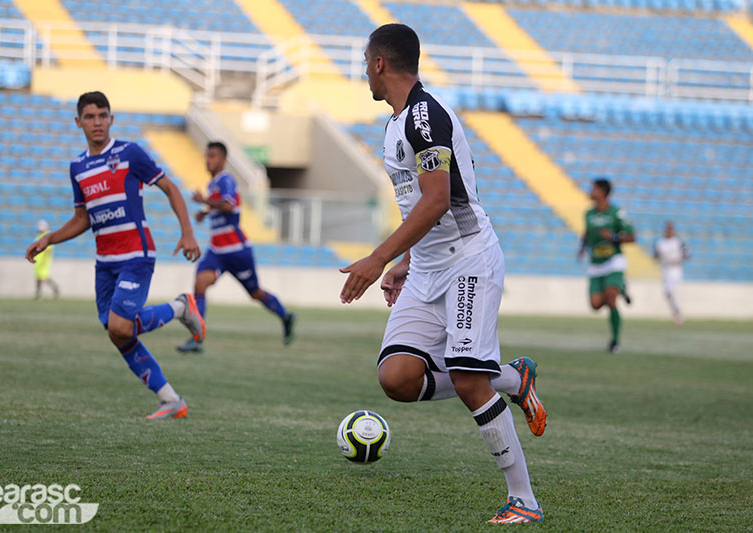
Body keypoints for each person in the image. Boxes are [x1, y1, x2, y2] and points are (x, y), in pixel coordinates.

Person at [339, 24, 545, 524]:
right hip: (428, 267)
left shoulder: (425, 117)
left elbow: (437, 201)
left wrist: (378, 259)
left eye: (366, 62)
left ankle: (524, 501)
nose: (365, 72)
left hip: (469, 260)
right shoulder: (396, 123)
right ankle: (512, 378)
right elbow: (423, 202)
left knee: (471, 382)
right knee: (397, 378)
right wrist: (407, 260)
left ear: (380, 64)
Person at [25, 91, 205, 419]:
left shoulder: (129, 153)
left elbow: (170, 188)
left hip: (136, 254)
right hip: (105, 262)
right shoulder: (78, 167)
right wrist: (50, 238)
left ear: (111, 119)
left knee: (121, 326)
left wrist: (188, 232)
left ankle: (181, 307)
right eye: (90, 117)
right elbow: (82, 218)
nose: (97, 122)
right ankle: (170, 399)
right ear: (78, 122)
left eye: (103, 116)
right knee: (116, 331)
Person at [176, 141, 295, 353]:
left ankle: (286, 316)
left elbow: (229, 205)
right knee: (200, 283)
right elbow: (219, 206)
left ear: (223, 160)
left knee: (255, 293)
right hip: (217, 251)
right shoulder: (213, 184)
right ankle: (197, 338)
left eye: (212, 156)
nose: (208, 160)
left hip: (236, 251)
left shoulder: (226, 180)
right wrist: (204, 212)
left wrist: (205, 202)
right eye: (207, 155)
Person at [578, 177, 635, 354]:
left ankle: (615, 341)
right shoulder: (589, 214)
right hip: (596, 263)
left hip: (613, 261)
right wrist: (582, 248)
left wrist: (614, 237)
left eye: (593, 188)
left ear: (602, 192)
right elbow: (587, 233)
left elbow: (632, 237)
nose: (590, 191)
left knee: (611, 299)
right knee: (595, 304)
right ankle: (621, 287)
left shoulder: (616, 212)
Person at [653, 221, 688, 324]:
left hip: (675, 269)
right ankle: (676, 311)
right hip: (665, 269)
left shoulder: (678, 242)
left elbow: (686, 254)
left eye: (670, 230)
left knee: (670, 291)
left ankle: (677, 313)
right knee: (667, 293)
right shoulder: (660, 242)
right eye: (667, 230)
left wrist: (679, 259)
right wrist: (658, 256)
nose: (669, 232)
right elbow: (655, 255)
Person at [32, 219, 60, 300]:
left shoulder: (47, 236)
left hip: (43, 261)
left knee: (44, 277)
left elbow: (48, 250)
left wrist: (44, 260)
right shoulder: (39, 236)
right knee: (39, 277)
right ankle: (38, 293)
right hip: (38, 261)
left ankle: (54, 288)